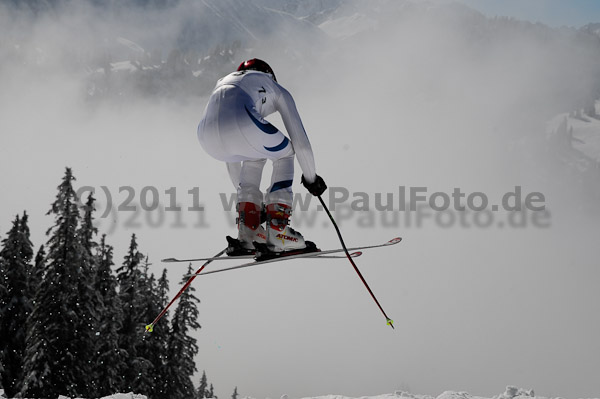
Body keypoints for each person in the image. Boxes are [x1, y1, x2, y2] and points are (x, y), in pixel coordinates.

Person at [197, 58, 327, 256]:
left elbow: (232, 161)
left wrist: (253, 210)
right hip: (242, 123)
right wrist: (311, 178)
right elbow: (300, 143)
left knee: (253, 155)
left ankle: (248, 233)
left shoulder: (225, 81)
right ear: (269, 74)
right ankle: (278, 233)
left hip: (206, 136)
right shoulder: (273, 86)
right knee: (285, 154)